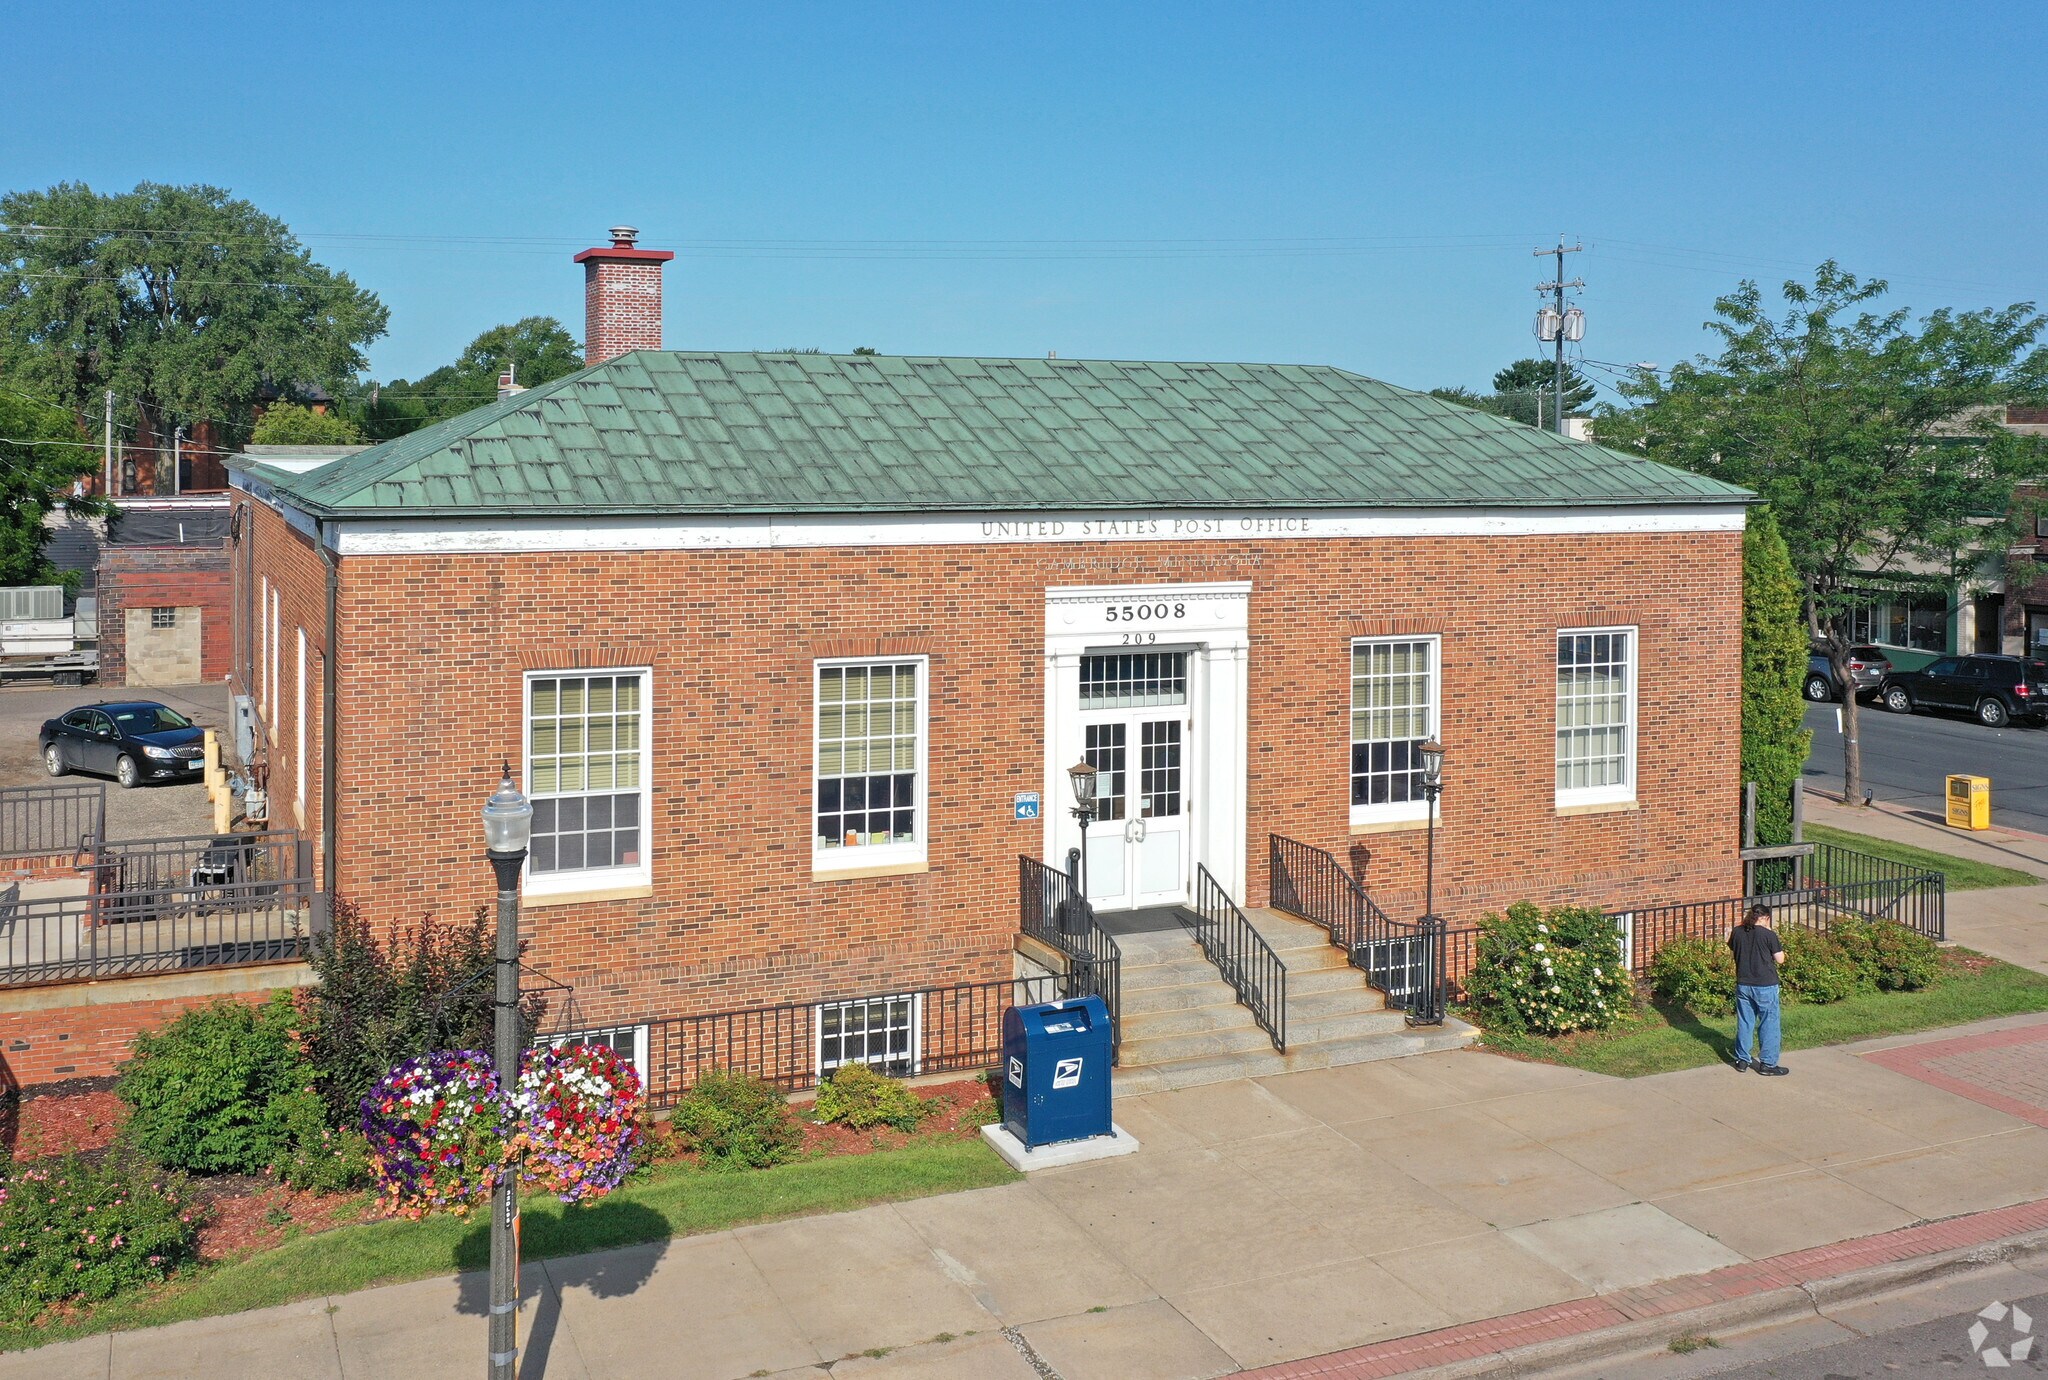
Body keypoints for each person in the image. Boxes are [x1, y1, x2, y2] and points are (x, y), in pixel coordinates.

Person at [1729, 903, 1788, 1075]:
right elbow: (1780, 959)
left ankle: (1742, 1060)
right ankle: (1767, 1064)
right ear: (1766, 918)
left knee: (1745, 1022)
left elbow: (1734, 950)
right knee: (1769, 1023)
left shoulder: (1737, 932)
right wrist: (1769, 931)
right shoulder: (1768, 935)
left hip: (1743, 984)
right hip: (1765, 984)